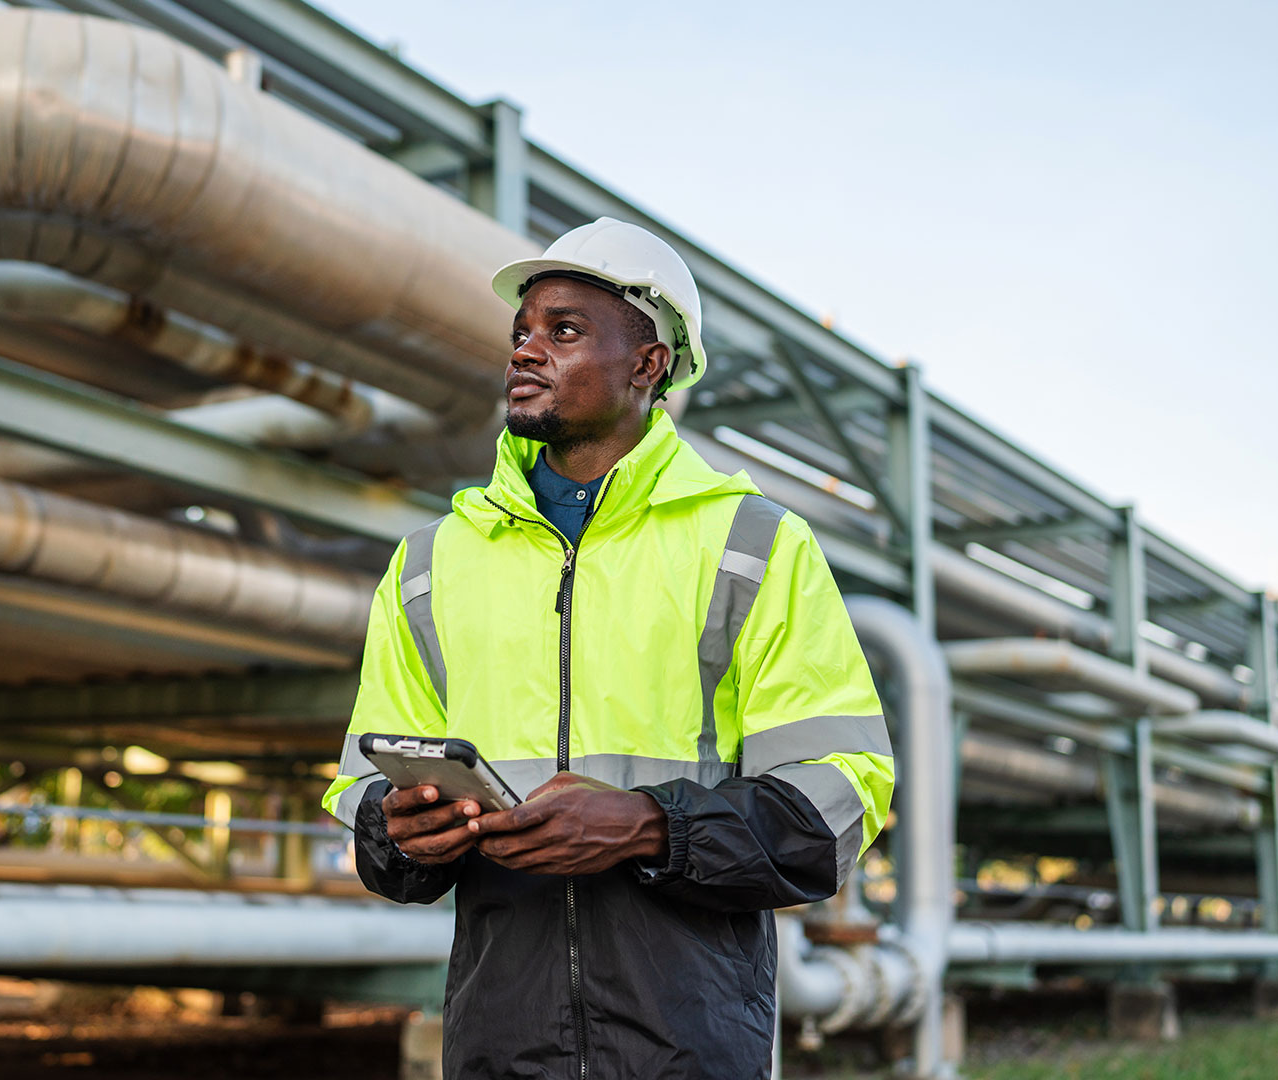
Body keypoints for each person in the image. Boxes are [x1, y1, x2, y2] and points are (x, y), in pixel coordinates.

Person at [322, 217, 895, 1079]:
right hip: (498, 1046)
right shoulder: (430, 564)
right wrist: (401, 831)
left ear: (647, 363)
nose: (525, 350)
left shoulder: (754, 544)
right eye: (522, 331)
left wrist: (648, 826)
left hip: (691, 1047)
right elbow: (366, 788)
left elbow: (837, 805)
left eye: (563, 330)